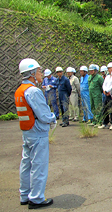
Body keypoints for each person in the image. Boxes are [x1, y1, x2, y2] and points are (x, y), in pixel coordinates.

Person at [16, 58, 55, 209]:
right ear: (32, 73)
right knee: (39, 165)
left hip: (27, 132)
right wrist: (52, 118)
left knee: (26, 163)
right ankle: (37, 198)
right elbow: (44, 115)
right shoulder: (33, 91)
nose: (41, 74)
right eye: (39, 71)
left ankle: (24, 195)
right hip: (38, 133)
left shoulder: (20, 90)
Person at [99, 64, 112, 129]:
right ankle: (105, 123)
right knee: (105, 108)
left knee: (111, 109)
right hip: (106, 94)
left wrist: (109, 92)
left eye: (110, 68)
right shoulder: (107, 77)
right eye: (108, 68)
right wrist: (104, 90)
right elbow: (104, 84)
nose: (109, 70)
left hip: (111, 94)